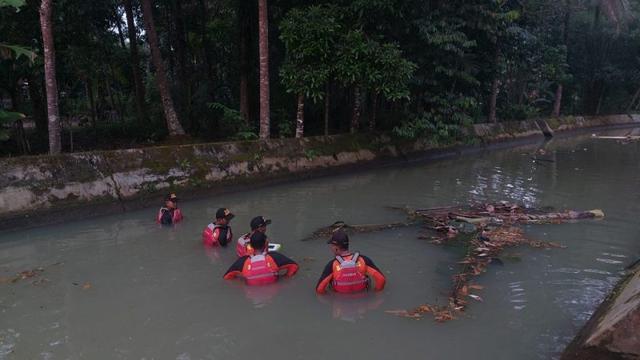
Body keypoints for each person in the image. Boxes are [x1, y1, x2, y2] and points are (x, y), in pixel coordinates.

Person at [315, 230, 386, 294]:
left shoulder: (332, 265)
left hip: (340, 304)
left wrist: (330, 299)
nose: (331, 248)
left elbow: (319, 289)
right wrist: (376, 294)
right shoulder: (363, 260)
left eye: (332, 246)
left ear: (336, 248)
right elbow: (381, 279)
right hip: (361, 303)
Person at [224, 232, 298, 285]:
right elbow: (294, 266)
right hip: (273, 292)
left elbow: (227, 277)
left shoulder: (242, 262)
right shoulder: (275, 257)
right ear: (266, 243)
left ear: (251, 246)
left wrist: (243, 283)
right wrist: (285, 278)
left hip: (251, 295)